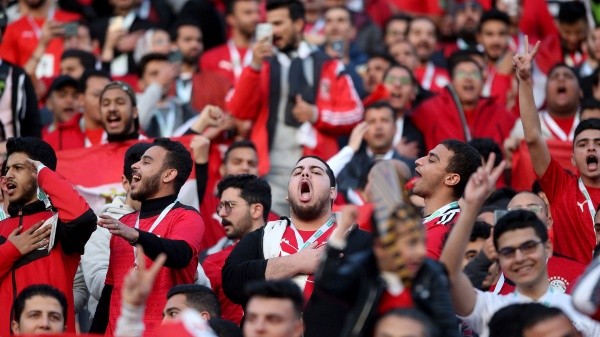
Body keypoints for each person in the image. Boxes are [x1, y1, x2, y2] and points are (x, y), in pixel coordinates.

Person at [439, 152, 600, 337]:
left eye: (528, 247)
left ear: (547, 247)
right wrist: (471, 207)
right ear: (498, 256)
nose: (520, 258)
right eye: (508, 251)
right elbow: (448, 276)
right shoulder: (491, 308)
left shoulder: (580, 312)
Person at [226, 0, 363, 215]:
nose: (273, 31)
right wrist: (253, 66)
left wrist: (316, 115)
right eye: (269, 25)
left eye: (279, 23)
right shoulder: (260, 63)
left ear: (299, 24)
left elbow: (355, 112)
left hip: (316, 171)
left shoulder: (328, 63)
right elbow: (237, 110)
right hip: (268, 171)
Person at [222, 155, 371, 337]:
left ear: (333, 192)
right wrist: (296, 262)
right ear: (287, 194)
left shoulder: (358, 239)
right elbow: (231, 281)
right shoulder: (263, 235)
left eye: (315, 172)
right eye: (297, 172)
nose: (305, 174)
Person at [100, 138, 204, 336]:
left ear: (168, 174)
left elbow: (179, 254)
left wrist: (137, 236)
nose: (134, 165)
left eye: (146, 162)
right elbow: (109, 293)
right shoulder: (124, 223)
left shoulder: (187, 217)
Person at [0, 137, 96, 335]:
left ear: (38, 172)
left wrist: (45, 174)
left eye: (18, 168)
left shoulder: (60, 223)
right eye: (6, 169)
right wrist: (11, 250)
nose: (8, 175)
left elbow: (83, 217)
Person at [516, 37, 600, 264]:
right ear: (572, 158)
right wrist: (525, 80)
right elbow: (533, 137)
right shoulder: (560, 187)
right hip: (570, 290)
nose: (591, 147)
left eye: (598, 143)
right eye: (582, 144)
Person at [80, 142, 152, 325]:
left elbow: (198, 280)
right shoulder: (103, 224)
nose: (148, 187)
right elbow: (97, 283)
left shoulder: (174, 218)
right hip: (113, 326)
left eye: (153, 180)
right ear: (125, 183)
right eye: (138, 178)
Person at [411, 53, 517, 152]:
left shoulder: (498, 112)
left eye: (474, 74)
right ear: (451, 81)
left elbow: (525, 132)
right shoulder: (430, 109)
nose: (468, 78)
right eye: (461, 74)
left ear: (483, 81)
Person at [202, 174, 271, 324]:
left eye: (230, 205)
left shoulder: (289, 252)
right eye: (220, 206)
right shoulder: (213, 263)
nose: (222, 214)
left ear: (256, 210)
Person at [412, 139, 481, 259]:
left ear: (451, 179)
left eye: (431, 160)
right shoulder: (422, 221)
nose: (418, 161)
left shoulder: (446, 230)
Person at [335, 101, 413, 201]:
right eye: (372, 121)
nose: (378, 127)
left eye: (384, 120)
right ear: (363, 131)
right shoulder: (348, 166)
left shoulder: (410, 166)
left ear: (395, 129)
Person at [136, 53, 197, 138]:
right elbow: (138, 123)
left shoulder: (183, 107)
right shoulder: (133, 104)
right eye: (154, 74)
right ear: (141, 83)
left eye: (166, 74)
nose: (163, 78)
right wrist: (158, 85)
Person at [200, 0, 260, 85]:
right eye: (248, 13)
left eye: (257, 12)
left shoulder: (267, 56)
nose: (255, 18)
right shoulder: (209, 59)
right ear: (231, 19)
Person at [405, 17, 449, 94]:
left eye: (430, 34)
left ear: (437, 43)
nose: (424, 38)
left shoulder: (448, 78)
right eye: (417, 33)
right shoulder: (395, 74)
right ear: (405, 38)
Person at [41, 75, 84, 151]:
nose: (70, 100)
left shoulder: (86, 133)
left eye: (75, 96)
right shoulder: (40, 137)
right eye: (62, 95)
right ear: (49, 103)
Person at [79, 70, 111, 147]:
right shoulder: (59, 137)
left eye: (108, 95)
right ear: (81, 99)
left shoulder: (130, 135)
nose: (104, 100)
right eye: (97, 95)